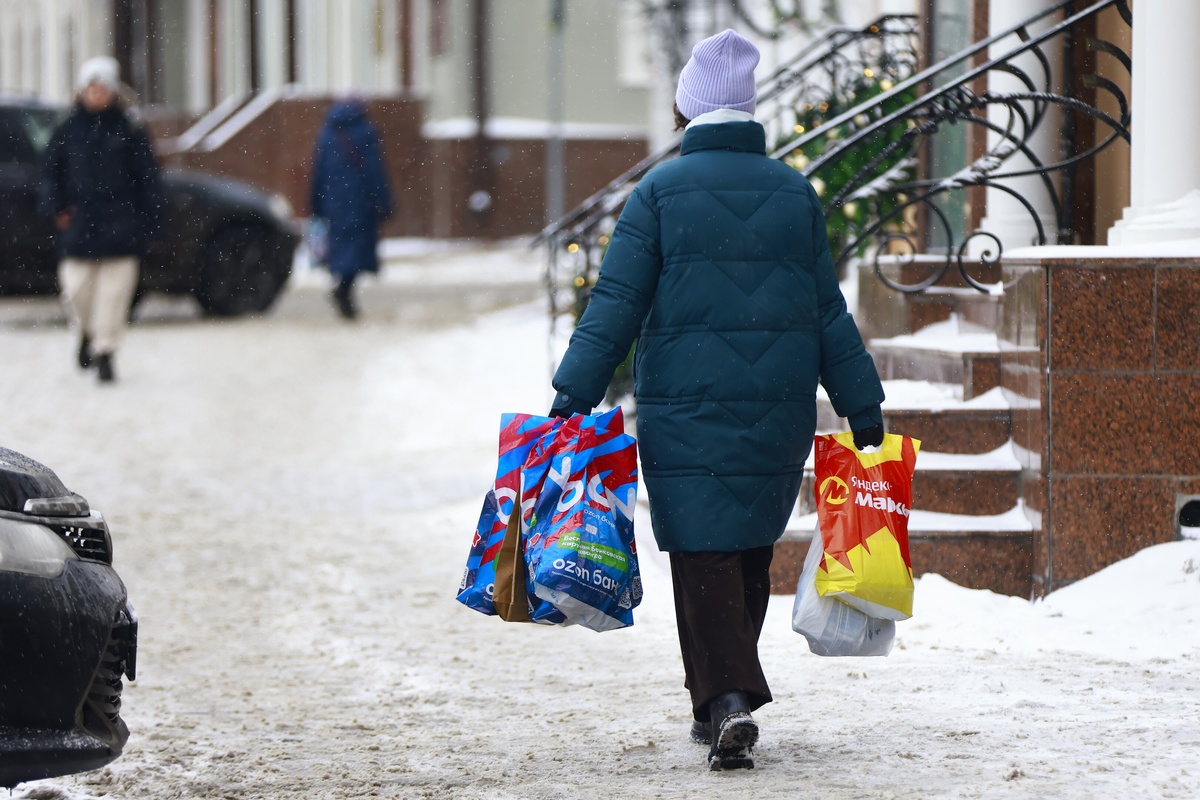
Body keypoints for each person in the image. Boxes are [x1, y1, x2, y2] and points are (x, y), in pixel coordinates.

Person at [548, 29, 885, 771]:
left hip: (685, 406)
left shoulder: (660, 193)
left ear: (689, 109)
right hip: (778, 406)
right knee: (746, 556)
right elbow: (828, 311)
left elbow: (617, 302)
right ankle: (718, 706)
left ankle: (729, 698)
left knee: (702, 556)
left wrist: (573, 391)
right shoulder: (793, 193)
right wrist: (862, 405)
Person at [42, 56, 164, 384]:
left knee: (114, 295)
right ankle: (87, 331)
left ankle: (106, 351)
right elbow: (50, 175)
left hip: (121, 224)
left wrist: (151, 221)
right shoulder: (67, 131)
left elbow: (148, 179)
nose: (96, 95)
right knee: (76, 289)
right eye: (90, 88)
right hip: (80, 223)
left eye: (102, 89)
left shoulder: (130, 130)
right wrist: (57, 208)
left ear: (113, 92)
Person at [309, 99, 393, 320]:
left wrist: (316, 203)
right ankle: (344, 292)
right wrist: (383, 201)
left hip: (334, 203)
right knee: (356, 250)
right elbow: (375, 170)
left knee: (343, 249)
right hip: (360, 202)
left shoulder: (327, 133)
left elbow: (318, 172)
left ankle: (344, 292)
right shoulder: (365, 132)